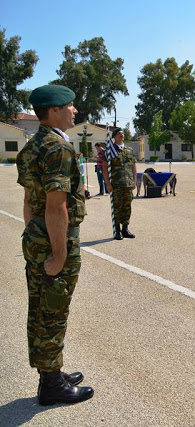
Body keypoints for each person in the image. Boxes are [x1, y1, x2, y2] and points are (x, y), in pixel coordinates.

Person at [16, 84, 94, 405]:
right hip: (54, 240)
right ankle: (51, 385)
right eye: (70, 106)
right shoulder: (57, 149)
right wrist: (58, 255)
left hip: (37, 237)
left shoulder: (33, 147)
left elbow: (28, 202)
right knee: (53, 311)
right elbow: (55, 205)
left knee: (42, 308)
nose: (74, 110)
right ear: (54, 111)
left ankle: (52, 371)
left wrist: (35, 239)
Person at [103, 127, 137, 240]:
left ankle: (125, 229)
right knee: (117, 207)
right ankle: (117, 231)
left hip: (127, 183)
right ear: (114, 137)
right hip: (116, 184)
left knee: (127, 207)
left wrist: (134, 180)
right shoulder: (110, 150)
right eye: (119, 134)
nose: (121, 135)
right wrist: (107, 183)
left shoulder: (129, 150)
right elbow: (104, 167)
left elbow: (133, 165)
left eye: (122, 134)